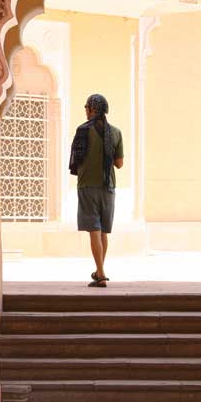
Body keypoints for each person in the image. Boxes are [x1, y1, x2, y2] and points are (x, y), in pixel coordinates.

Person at [69, 93, 124, 288]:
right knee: (103, 233)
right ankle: (100, 270)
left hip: (87, 186)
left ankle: (100, 273)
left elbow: (76, 160)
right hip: (108, 187)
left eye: (87, 107)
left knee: (94, 230)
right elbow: (119, 164)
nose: (85, 110)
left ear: (94, 110)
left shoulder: (83, 131)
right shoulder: (116, 133)